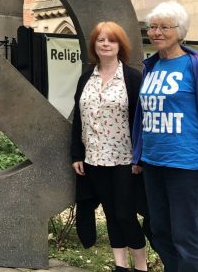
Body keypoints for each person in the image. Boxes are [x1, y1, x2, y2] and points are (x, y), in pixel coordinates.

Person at [132, 1, 198, 271]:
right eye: (153, 27)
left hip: (185, 164)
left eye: (164, 27)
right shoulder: (151, 67)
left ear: (180, 31)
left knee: (185, 235)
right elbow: (142, 116)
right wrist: (138, 155)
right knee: (160, 231)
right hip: (153, 163)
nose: (156, 32)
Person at [71, 22, 147, 272]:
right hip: (94, 158)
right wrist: (77, 154)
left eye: (111, 40)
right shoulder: (86, 78)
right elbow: (78, 118)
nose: (105, 44)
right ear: (94, 44)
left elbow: (142, 120)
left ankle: (141, 266)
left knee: (125, 214)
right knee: (111, 213)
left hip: (125, 159)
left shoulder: (132, 78)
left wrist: (139, 158)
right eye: (100, 40)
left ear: (120, 45)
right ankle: (120, 266)